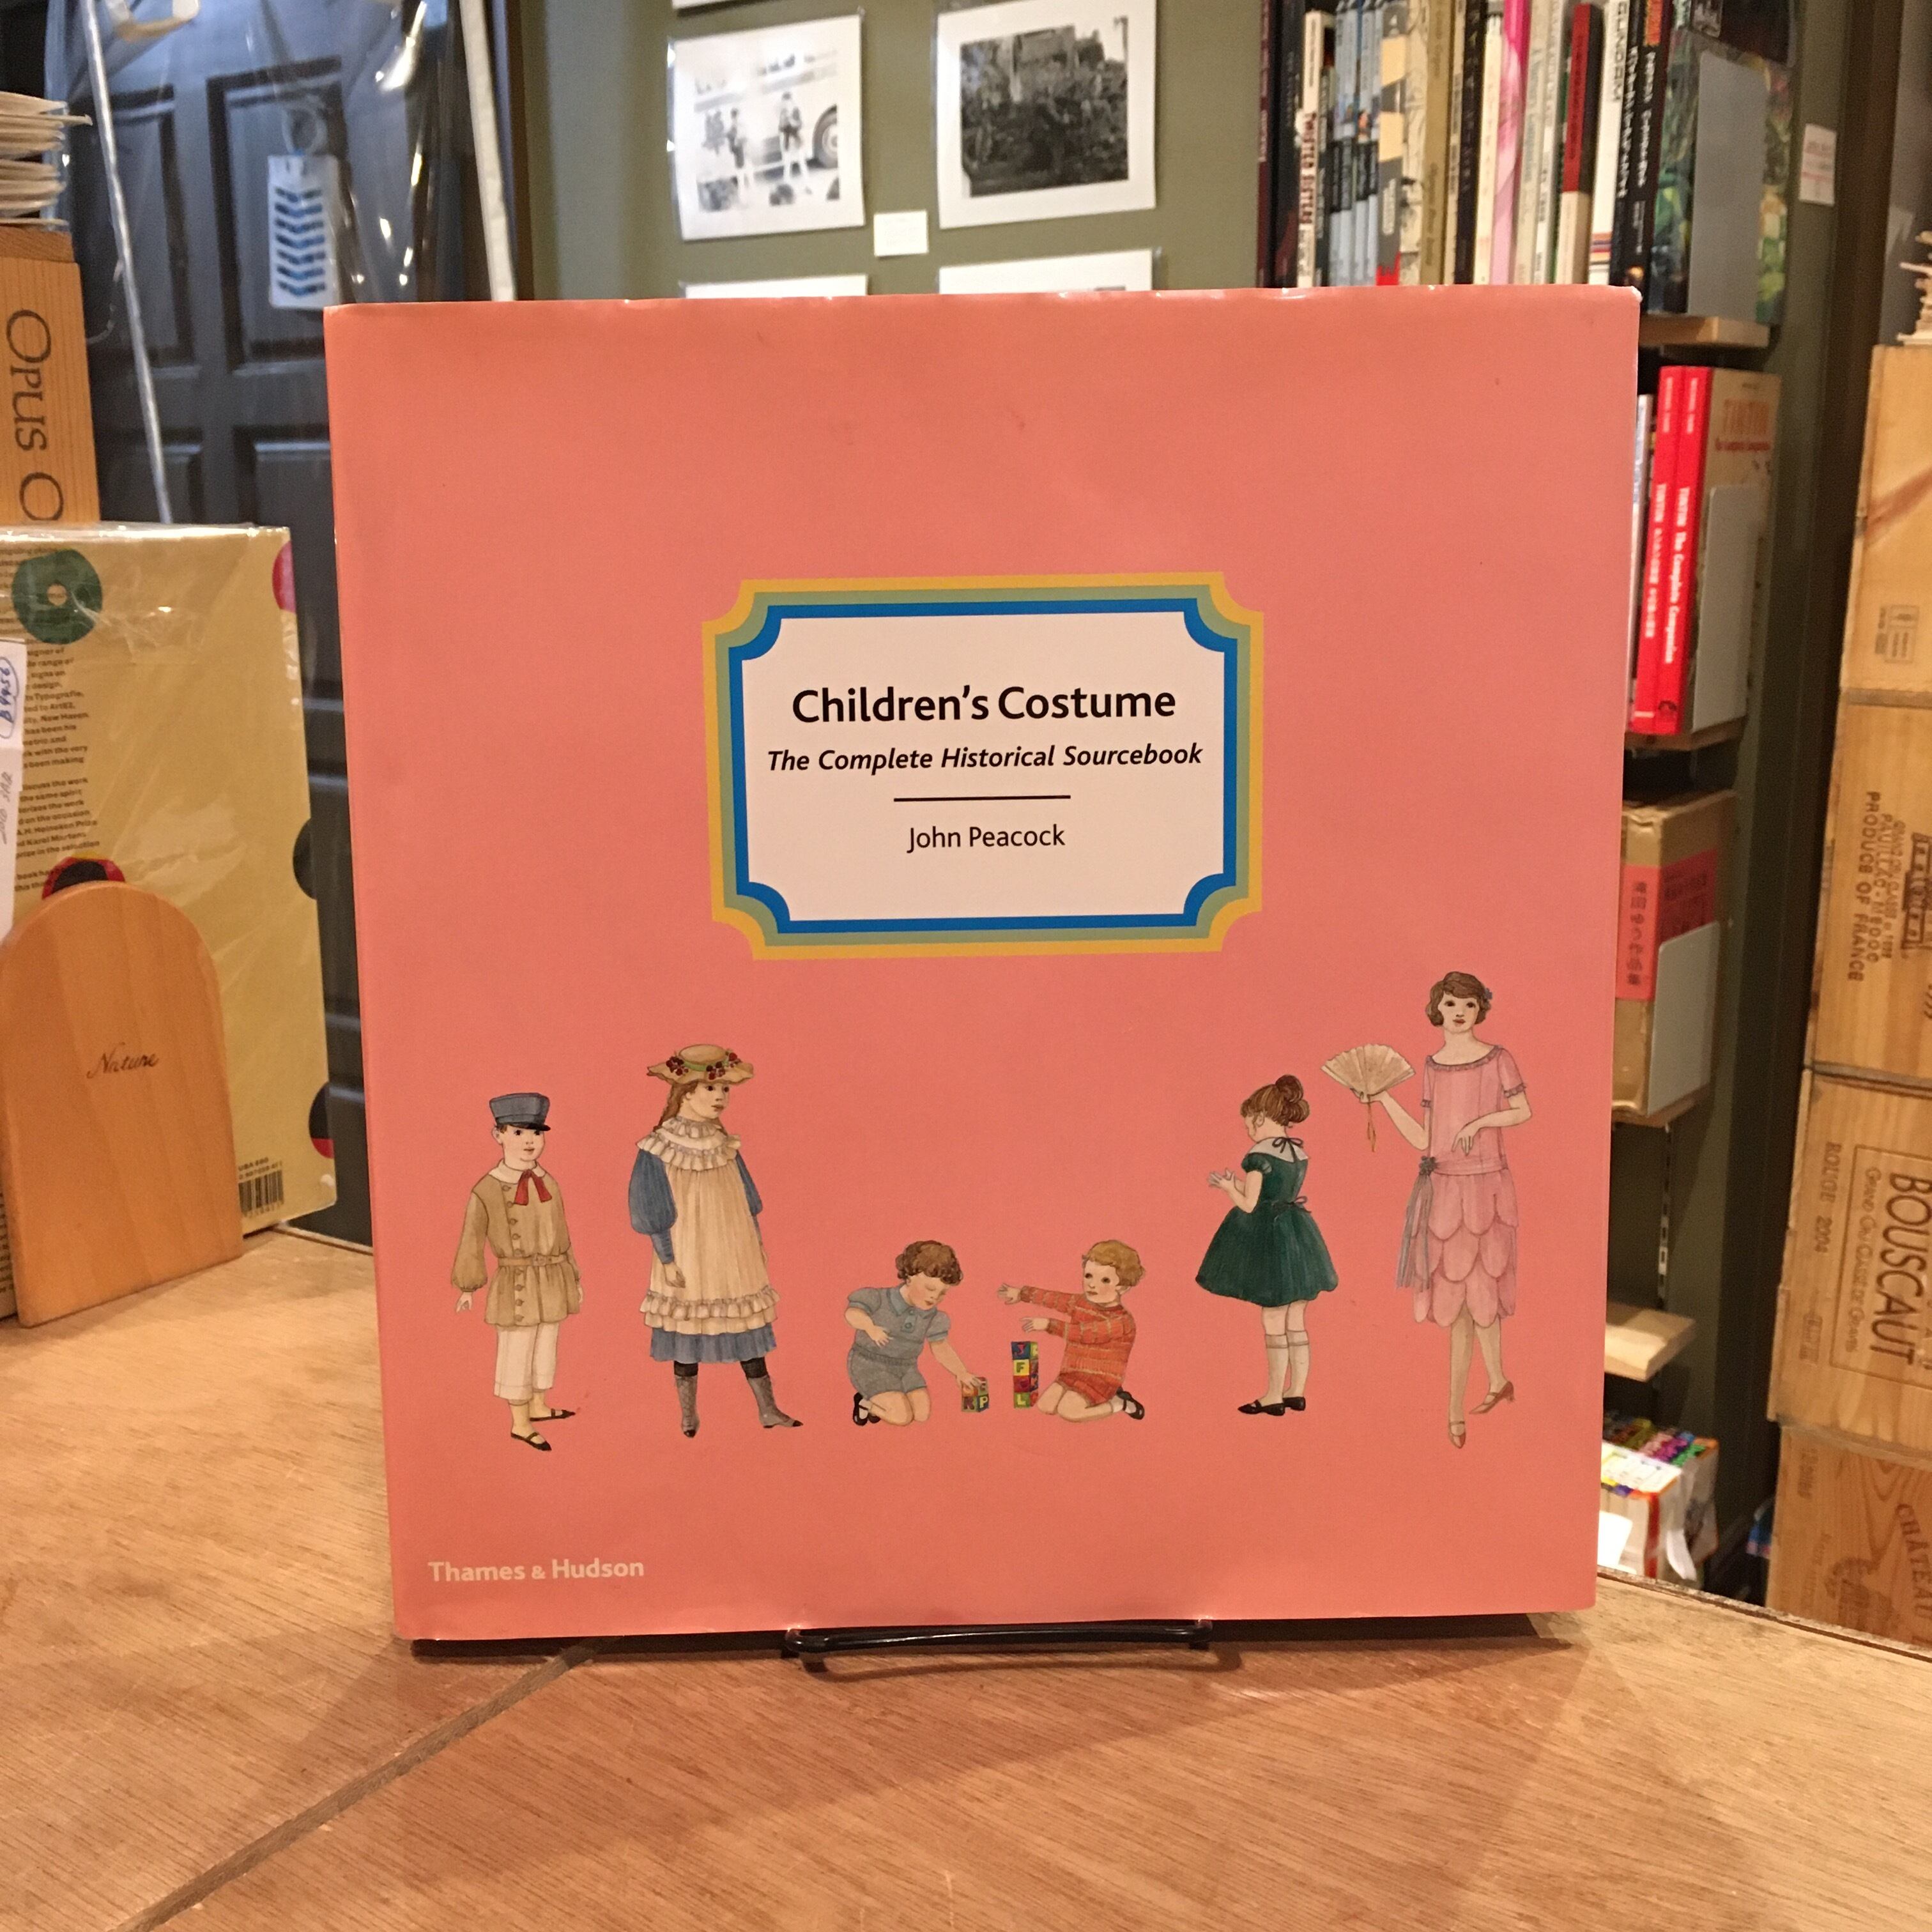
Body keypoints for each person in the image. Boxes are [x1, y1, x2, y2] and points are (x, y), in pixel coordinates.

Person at [1369, 972, 1531, 1448]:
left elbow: (1523, 1110)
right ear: (1437, 1008)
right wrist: (1384, 1100)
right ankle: (1459, 1409)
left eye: (1469, 1004)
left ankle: (1493, 1383)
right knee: (1457, 1308)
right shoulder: (1433, 1067)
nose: (1459, 1012)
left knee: (1483, 1295)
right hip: (1442, 1191)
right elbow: (1425, 1138)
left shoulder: (1498, 1058)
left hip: (1486, 1188)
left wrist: (1480, 1123)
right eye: (1451, 1003)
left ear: (1481, 1009)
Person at [629, 1044, 800, 1438]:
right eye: (711, 1088)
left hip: (734, 1251)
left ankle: (768, 1409)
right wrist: (667, 1258)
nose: (721, 1096)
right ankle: (689, 1415)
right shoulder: (659, 1146)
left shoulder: (725, 1143)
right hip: (689, 1252)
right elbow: (650, 1207)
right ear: (686, 1093)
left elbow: (748, 1199)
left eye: (725, 1089)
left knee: (747, 1327)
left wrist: (756, 1243)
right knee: (687, 1332)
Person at [1197, 1074, 1338, 1414]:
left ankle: (1274, 1395)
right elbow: (1276, 1193)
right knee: (1297, 1318)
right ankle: (1297, 1391)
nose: (1249, 1131)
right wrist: (1237, 1186)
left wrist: (1228, 1188)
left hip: (1271, 1239)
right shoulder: (1298, 1151)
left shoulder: (1259, 1154)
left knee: (1273, 1317)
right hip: (1298, 1236)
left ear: (1260, 1117)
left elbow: (1249, 1204)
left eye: (1249, 1124)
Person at [449, 1092, 581, 1452]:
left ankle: (538, 1405)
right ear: (499, 1135)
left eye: (536, 1133)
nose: (530, 1142)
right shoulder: (487, 1189)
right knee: (518, 1350)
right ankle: (520, 1423)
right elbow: (472, 1239)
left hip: (552, 1278)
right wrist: (468, 1287)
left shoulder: (548, 1182)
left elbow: (562, 1233)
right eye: (520, 1132)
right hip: (516, 1281)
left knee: (546, 1346)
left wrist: (572, 1275)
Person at [999, 1241, 1146, 1422]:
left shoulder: (1122, 1321)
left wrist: (1049, 1325)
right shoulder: (1082, 1303)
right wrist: (1022, 1294)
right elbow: (1056, 1299)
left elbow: (1085, 1334)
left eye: (1105, 1280)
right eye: (1089, 1276)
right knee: (1046, 1406)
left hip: (1101, 1380)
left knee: (1069, 1412)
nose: (1092, 1285)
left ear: (1122, 1287)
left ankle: (1120, 1403)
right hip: (1072, 1373)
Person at [846, 1239, 984, 1425]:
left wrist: (961, 1372)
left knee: (921, 1414)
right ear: (910, 1277)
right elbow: (852, 1313)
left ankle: (881, 1403)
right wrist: (870, 1327)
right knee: (902, 1417)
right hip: (871, 1365)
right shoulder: (879, 1298)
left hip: (907, 1368)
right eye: (930, 1288)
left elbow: (941, 1347)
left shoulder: (934, 1317)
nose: (935, 1297)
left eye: (943, 1293)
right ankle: (865, 1403)